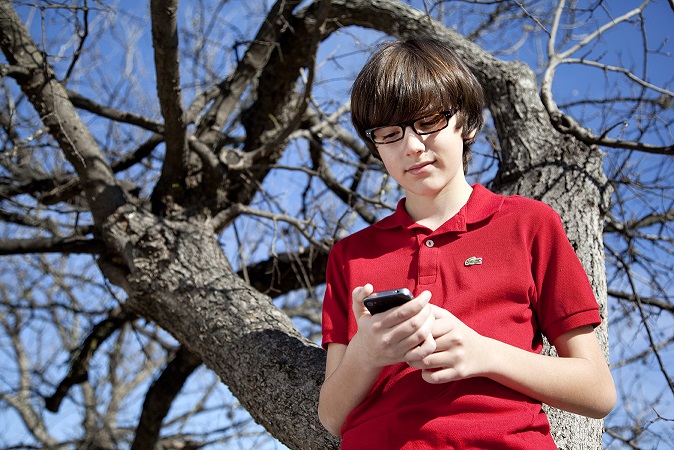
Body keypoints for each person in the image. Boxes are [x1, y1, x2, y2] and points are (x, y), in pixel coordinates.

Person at [318, 37, 616, 449]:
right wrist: (366, 353)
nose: (411, 146)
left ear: (467, 123)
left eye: (428, 122)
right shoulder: (350, 254)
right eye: (389, 133)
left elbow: (598, 391)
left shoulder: (529, 223)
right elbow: (331, 416)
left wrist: (483, 353)